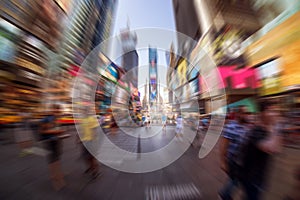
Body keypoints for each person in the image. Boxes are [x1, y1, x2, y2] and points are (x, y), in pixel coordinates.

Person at [240, 101, 283, 200]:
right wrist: (276, 126)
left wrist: (274, 128)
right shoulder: (256, 131)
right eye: (271, 111)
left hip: (260, 177)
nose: (275, 114)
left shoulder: (268, 130)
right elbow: (270, 148)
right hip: (251, 178)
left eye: (276, 111)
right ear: (262, 113)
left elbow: (277, 149)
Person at [219, 106, 249, 200]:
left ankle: (225, 194)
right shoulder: (231, 127)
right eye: (245, 113)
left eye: (248, 113)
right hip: (233, 160)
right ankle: (224, 194)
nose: (247, 116)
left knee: (240, 181)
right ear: (239, 114)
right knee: (235, 180)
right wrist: (223, 162)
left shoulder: (246, 127)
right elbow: (223, 146)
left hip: (243, 161)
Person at [40, 104, 66, 191]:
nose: (57, 112)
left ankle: (57, 174)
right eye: (55, 111)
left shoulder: (57, 119)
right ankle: (55, 177)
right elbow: (42, 131)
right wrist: (56, 131)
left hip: (57, 141)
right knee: (52, 160)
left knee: (57, 158)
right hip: (49, 141)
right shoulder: (46, 119)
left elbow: (57, 130)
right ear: (52, 110)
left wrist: (61, 132)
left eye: (58, 111)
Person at [78, 106, 101, 179]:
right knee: (85, 157)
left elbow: (95, 130)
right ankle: (90, 167)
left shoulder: (92, 119)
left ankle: (95, 171)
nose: (84, 112)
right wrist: (78, 138)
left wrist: (94, 141)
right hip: (84, 141)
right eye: (83, 110)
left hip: (91, 141)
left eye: (85, 110)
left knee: (92, 158)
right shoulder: (82, 120)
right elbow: (80, 130)